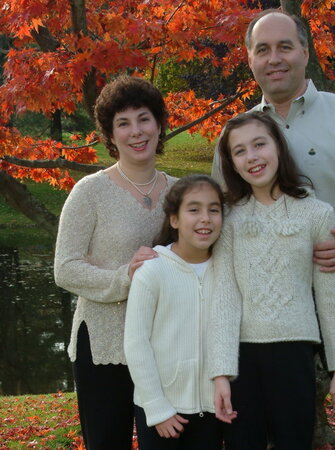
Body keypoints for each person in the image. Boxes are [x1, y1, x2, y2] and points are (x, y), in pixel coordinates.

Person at [213, 10, 335, 450]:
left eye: (285, 46)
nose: (274, 58)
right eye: (263, 49)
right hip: (263, 302)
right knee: (268, 425)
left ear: (305, 51)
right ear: (250, 59)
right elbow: (218, 215)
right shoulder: (237, 136)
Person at [210, 111, 335, 450]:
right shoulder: (228, 219)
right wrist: (220, 373)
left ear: (278, 146)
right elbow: (224, 299)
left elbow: (331, 298)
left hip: (295, 355)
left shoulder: (316, 213)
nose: (252, 157)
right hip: (241, 360)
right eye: (240, 151)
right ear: (231, 163)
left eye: (259, 144)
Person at [54, 75, 177, 450]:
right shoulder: (90, 192)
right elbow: (65, 268)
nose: (136, 131)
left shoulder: (181, 192)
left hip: (165, 343)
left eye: (144, 119)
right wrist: (125, 277)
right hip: (104, 344)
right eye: (123, 123)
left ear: (159, 124)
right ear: (110, 134)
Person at [124, 174, 226, 450]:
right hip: (161, 410)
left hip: (211, 409)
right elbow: (136, 343)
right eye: (194, 210)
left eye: (213, 210)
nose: (205, 218)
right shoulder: (153, 271)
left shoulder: (227, 270)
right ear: (174, 220)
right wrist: (157, 408)